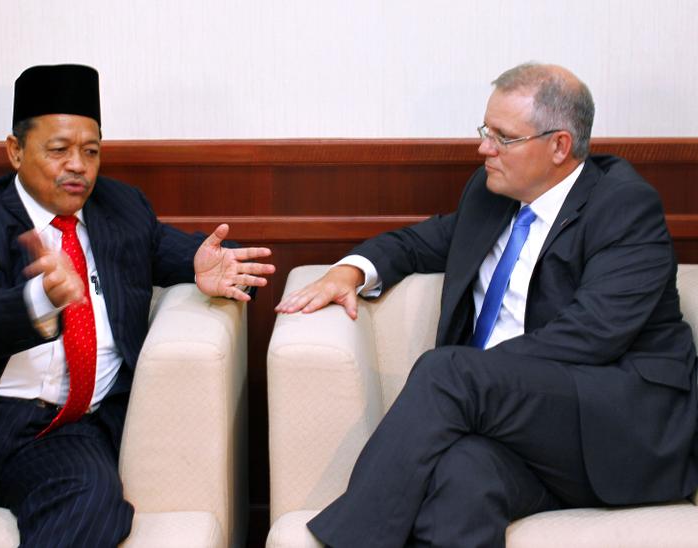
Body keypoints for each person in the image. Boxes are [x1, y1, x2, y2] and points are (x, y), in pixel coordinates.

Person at [276, 62, 698, 547]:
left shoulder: (624, 206)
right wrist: (349, 271)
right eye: (484, 131)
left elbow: (594, 334)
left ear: (559, 146)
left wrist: (476, 384)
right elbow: (417, 243)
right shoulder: (492, 194)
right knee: (465, 475)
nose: (484, 148)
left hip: (616, 428)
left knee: (448, 373)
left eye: (503, 137)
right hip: (528, 434)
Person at [0, 64, 274, 547]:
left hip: (65, 428)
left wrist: (209, 267)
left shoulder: (122, 210)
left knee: (92, 511)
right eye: (59, 150)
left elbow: (178, 252)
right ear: (16, 151)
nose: (77, 164)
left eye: (91, 150)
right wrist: (40, 300)